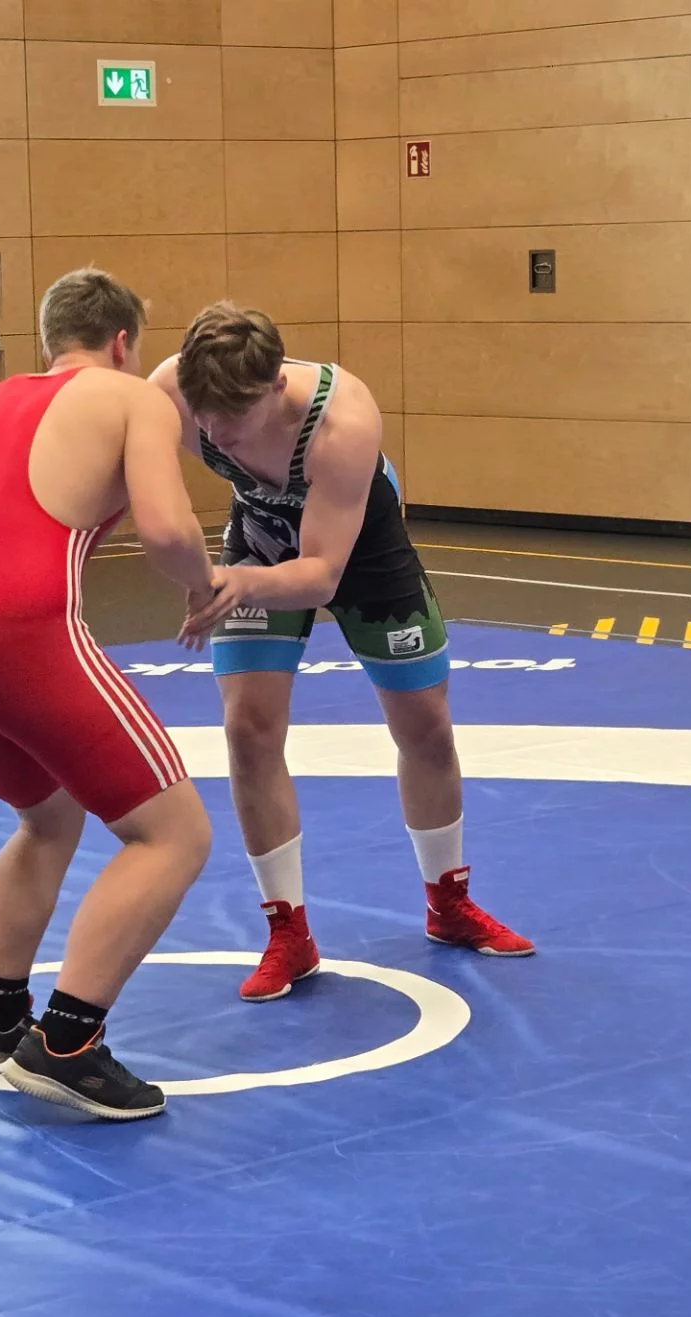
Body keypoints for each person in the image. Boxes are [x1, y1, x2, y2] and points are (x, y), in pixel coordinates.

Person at [150, 303, 534, 1004]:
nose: (215, 434)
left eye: (232, 418)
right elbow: (128, 481)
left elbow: (322, 574)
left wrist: (235, 583)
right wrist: (190, 566)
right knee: (247, 730)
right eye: (203, 416)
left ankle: (448, 903)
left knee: (425, 726)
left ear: (275, 387)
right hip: (260, 533)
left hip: (357, 547)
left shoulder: (342, 421)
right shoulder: (169, 392)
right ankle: (288, 933)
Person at [0, 268, 216, 1122]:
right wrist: (204, 584)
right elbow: (168, 530)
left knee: (47, 820)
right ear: (123, 342)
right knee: (175, 836)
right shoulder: (131, 397)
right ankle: (68, 1042)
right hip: (23, 634)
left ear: (49, 340)